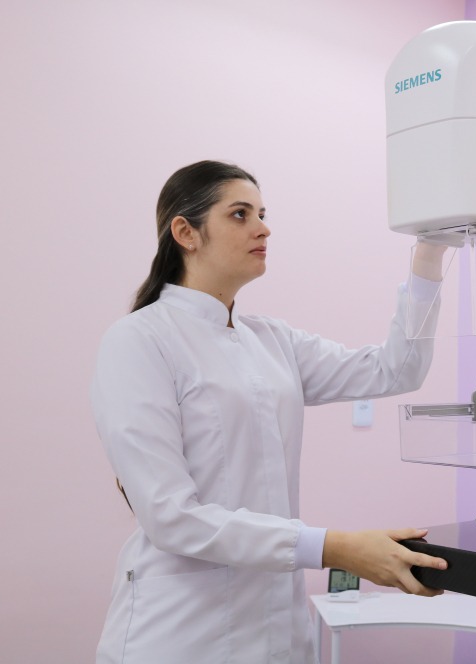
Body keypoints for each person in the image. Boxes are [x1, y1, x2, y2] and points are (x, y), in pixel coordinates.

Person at [91, 160, 449, 663]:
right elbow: (171, 517)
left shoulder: (272, 340)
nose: (263, 228)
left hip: (277, 628)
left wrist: (430, 251)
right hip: (180, 635)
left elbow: (396, 370)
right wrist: (335, 548)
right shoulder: (138, 341)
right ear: (185, 233)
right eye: (240, 214)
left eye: (262, 214)